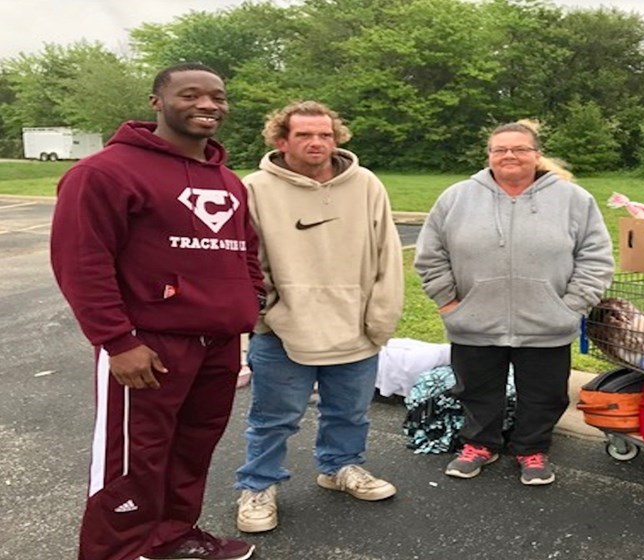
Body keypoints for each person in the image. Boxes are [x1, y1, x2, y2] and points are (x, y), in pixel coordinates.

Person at [50, 63, 263, 560]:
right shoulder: (104, 172)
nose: (208, 105)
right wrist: (118, 341)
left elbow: (244, 251)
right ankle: (117, 551)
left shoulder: (228, 180)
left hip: (218, 344)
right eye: (191, 95)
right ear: (157, 102)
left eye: (218, 97)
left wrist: (247, 299)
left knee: (192, 448)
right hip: (149, 345)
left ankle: (171, 535)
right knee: (132, 460)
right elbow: (82, 262)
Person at [234, 100, 404, 533]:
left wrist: (380, 319)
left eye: (325, 134)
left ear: (337, 137)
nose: (316, 142)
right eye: (304, 135)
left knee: (350, 413)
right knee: (273, 419)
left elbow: (388, 254)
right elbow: (247, 263)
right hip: (283, 332)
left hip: (355, 327)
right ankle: (258, 486)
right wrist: (265, 317)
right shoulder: (255, 188)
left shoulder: (365, 184)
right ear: (281, 140)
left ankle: (340, 467)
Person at [414, 120, 614, 486]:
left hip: (547, 322)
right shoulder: (457, 197)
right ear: (488, 156)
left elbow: (596, 257)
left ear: (537, 155)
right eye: (500, 149)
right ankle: (479, 445)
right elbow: (431, 255)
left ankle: (532, 449)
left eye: (520, 149)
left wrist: (571, 306)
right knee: (476, 388)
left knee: (546, 393)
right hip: (474, 320)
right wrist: (449, 303)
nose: (509, 155)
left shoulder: (573, 200)